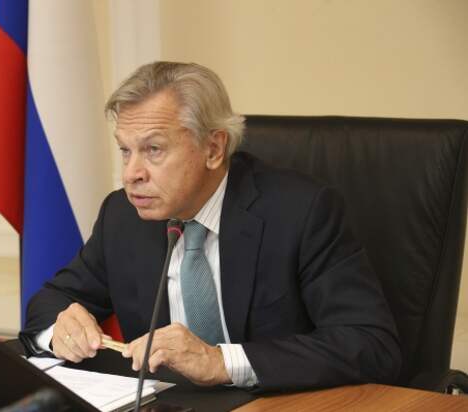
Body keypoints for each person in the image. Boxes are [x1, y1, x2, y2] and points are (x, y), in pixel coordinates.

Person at [20, 61, 401, 391]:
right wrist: (60, 330)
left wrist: (220, 362)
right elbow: (51, 300)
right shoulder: (123, 215)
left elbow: (369, 344)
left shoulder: (301, 213)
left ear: (214, 149)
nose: (131, 173)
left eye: (153, 149)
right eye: (125, 150)